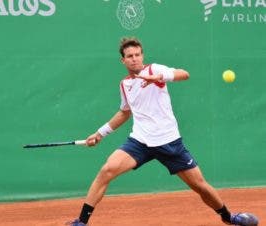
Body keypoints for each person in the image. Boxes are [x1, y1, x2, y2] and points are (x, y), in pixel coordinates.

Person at [68, 37, 258, 226]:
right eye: (129, 56)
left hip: (169, 141)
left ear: (142, 56)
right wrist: (100, 133)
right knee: (106, 170)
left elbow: (184, 74)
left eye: (137, 54)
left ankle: (228, 216)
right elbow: (125, 112)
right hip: (139, 142)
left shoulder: (154, 70)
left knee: (200, 186)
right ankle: (81, 222)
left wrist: (160, 78)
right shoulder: (125, 84)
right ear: (123, 60)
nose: (134, 58)